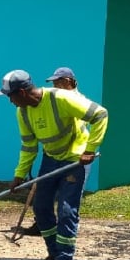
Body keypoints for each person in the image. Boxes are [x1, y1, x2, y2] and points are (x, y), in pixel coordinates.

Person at [0, 69, 108, 260]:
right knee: (41, 207)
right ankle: (54, 255)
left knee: (66, 210)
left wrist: (91, 149)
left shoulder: (61, 98)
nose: (9, 101)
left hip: (76, 160)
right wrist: (19, 175)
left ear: (21, 92)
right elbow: (29, 146)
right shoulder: (23, 112)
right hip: (51, 159)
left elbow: (101, 114)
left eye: (10, 96)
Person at [21, 67, 84, 237]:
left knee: (66, 205)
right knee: (43, 197)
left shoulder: (75, 100)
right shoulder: (54, 99)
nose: (55, 85)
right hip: (51, 155)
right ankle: (40, 224)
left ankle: (64, 243)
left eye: (58, 81)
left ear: (68, 81)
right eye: (53, 82)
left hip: (74, 157)